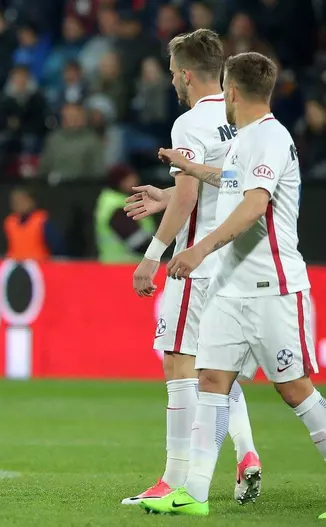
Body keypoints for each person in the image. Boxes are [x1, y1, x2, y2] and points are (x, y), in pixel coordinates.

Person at [142, 52, 321, 518]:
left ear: (234, 90)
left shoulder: (271, 136)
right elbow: (231, 180)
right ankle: (193, 493)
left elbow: (254, 204)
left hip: (273, 286)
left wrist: (200, 249)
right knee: (211, 381)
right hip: (228, 288)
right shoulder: (245, 139)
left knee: (296, 390)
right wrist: (188, 172)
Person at [122, 29, 261, 506]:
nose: (173, 83)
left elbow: (187, 198)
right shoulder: (243, 117)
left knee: (179, 364)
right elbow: (228, 185)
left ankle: (174, 479)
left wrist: (150, 258)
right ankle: (246, 454)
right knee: (217, 370)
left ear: (183, 74)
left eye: (172, 75)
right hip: (237, 262)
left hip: (195, 264)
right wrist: (169, 195)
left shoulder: (190, 123)